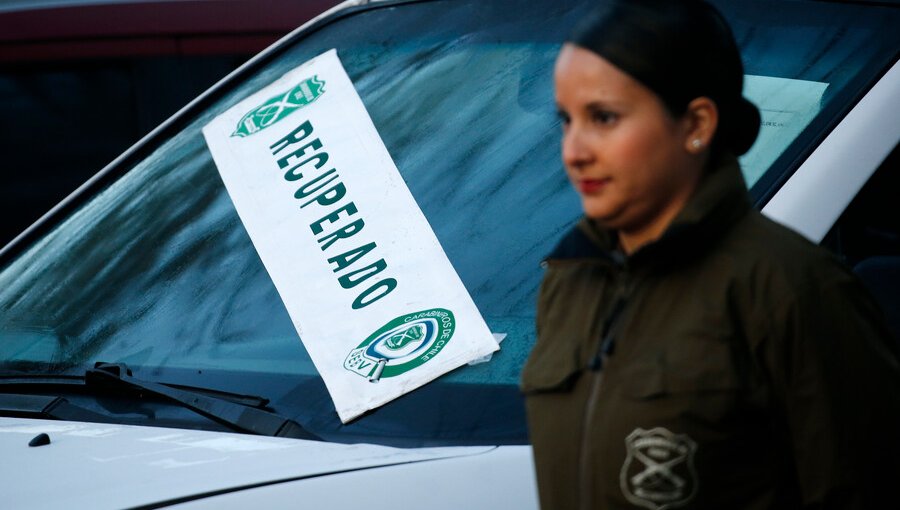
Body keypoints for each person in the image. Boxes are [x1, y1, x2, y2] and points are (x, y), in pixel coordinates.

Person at [520, 1, 900, 509]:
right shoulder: (570, 278)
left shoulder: (791, 288)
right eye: (566, 120)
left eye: (604, 117)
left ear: (696, 123)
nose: (573, 150)